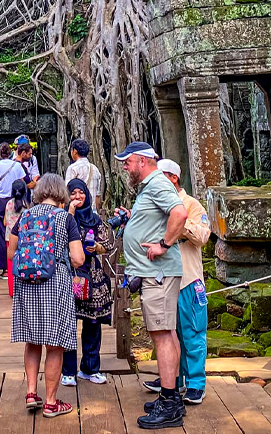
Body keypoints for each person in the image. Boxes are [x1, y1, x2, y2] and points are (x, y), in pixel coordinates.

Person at [113, 142, 188, 429]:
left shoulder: (157, 183)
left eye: (127, 161)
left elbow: (179, 214)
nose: (124, 166)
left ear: (142, 161)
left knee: (161, 335)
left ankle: (169, 403)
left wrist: (163, 245)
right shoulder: (149, 186)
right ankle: (172, 395)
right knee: (166, 332)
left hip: (158, 272)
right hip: (153, 272)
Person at [8, 173, 86, 418]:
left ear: (39, 192)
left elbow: (11, 253)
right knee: (55, 344)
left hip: (26, 282)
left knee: (32, 340)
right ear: (61, 193)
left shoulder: (25, 216)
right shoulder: (66, 218)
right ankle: (51, 402)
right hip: (56, 283)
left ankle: (31, 393)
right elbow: (78, 258)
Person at [158, 159, 211, 405]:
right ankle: (171, 379)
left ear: (173, 179)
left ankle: (196, 384)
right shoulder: (157, 205)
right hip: (164, 279)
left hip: (189, 280)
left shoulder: (193, 205)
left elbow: (202, 236)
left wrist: (180, 222)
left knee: (193, 332)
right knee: (168, 333)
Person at [61, 178, 115, 386]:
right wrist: (70, 212)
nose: (77, 197)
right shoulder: (64, 217)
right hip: (71, 275)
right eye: (72, 193)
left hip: (92, 277)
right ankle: (68, 371)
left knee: (93, 323)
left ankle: (90, 368)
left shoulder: (94, 218)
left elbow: (107, 242)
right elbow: (59, 236)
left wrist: (97, 249)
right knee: (69, 323)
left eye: (80, 193)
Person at [0, 143, 33, 278]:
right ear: (10, 153)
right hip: (15, 202)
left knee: (0, 234)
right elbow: (21, 185)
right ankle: (20, 264)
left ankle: (5, 268)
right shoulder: (18, 166)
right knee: (18, 231)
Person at [3, 178, 32, 297]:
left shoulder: (9, 203)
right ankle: (23, 290)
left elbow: (5, 222)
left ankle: (12, 291)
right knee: (24, 263)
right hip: (24, 238)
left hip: (9, 237)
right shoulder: (27, 206)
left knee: (10, 265)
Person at [64, 138, 103, 209]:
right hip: (92, 211)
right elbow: (97, 196)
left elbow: (67, 192)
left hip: (78, 212)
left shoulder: (73, 168)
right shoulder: (95, 169)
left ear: (74, 151)